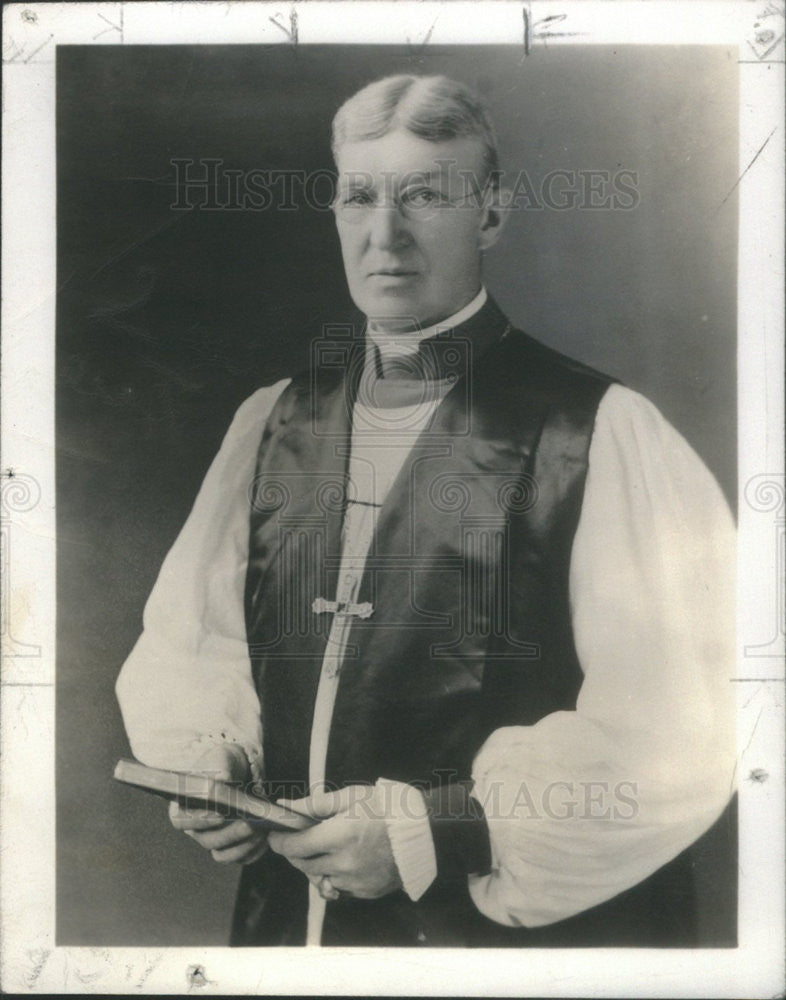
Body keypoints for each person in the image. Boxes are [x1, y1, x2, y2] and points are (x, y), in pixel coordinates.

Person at [116, 74, 736, 948]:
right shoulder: (274, 421)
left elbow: (686, 732)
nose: (385, 237)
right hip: (289, 931)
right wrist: (216, 766)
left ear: (490, 214)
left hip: (490, 948)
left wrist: (441, 834)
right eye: (359, 197)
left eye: (425, 196)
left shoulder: (597, 432)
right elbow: (194, 647)